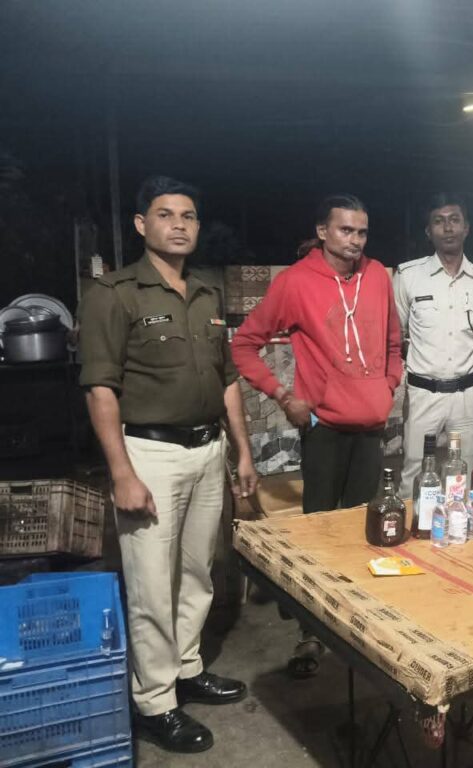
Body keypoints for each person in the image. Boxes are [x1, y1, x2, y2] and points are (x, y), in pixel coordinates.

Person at [79, 176, 257, 754]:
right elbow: (100, 388)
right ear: (141, 224)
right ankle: (155, 701)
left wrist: (242, 451)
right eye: (165, 214)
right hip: (149, 454)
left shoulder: (205, 293)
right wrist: (122, 473)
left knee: (198, 573)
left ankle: (186, 668)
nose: (179, 225)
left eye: (188, 216)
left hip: (207, 451)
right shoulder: (114, 293)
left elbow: (227, 380)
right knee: (152, 585)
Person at [232, 193, 402, 677]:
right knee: (319, 531)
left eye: (362, 231)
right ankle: (312, 632)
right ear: (323, 232)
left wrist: (387, 385)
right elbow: (244, 345)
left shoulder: (378, 275)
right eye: (345, 230)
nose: (355, 240)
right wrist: (283, 395)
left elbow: (394, 342)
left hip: (371, 427)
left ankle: (360, 623)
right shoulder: (294, 282)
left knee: (366, 527)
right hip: (323, 428)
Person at [393, 193, 473, 497]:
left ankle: (458, 523)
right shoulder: (408, 276)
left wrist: (462, 371)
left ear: (466, 228)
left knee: (463, 471)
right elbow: (395, 336)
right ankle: (414, 523)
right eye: (439, 222)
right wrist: (429, 363)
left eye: (455, 220)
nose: (448, 227)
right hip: (423, 394)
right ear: (429, 231)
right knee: (415, 470)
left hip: (467, 397)